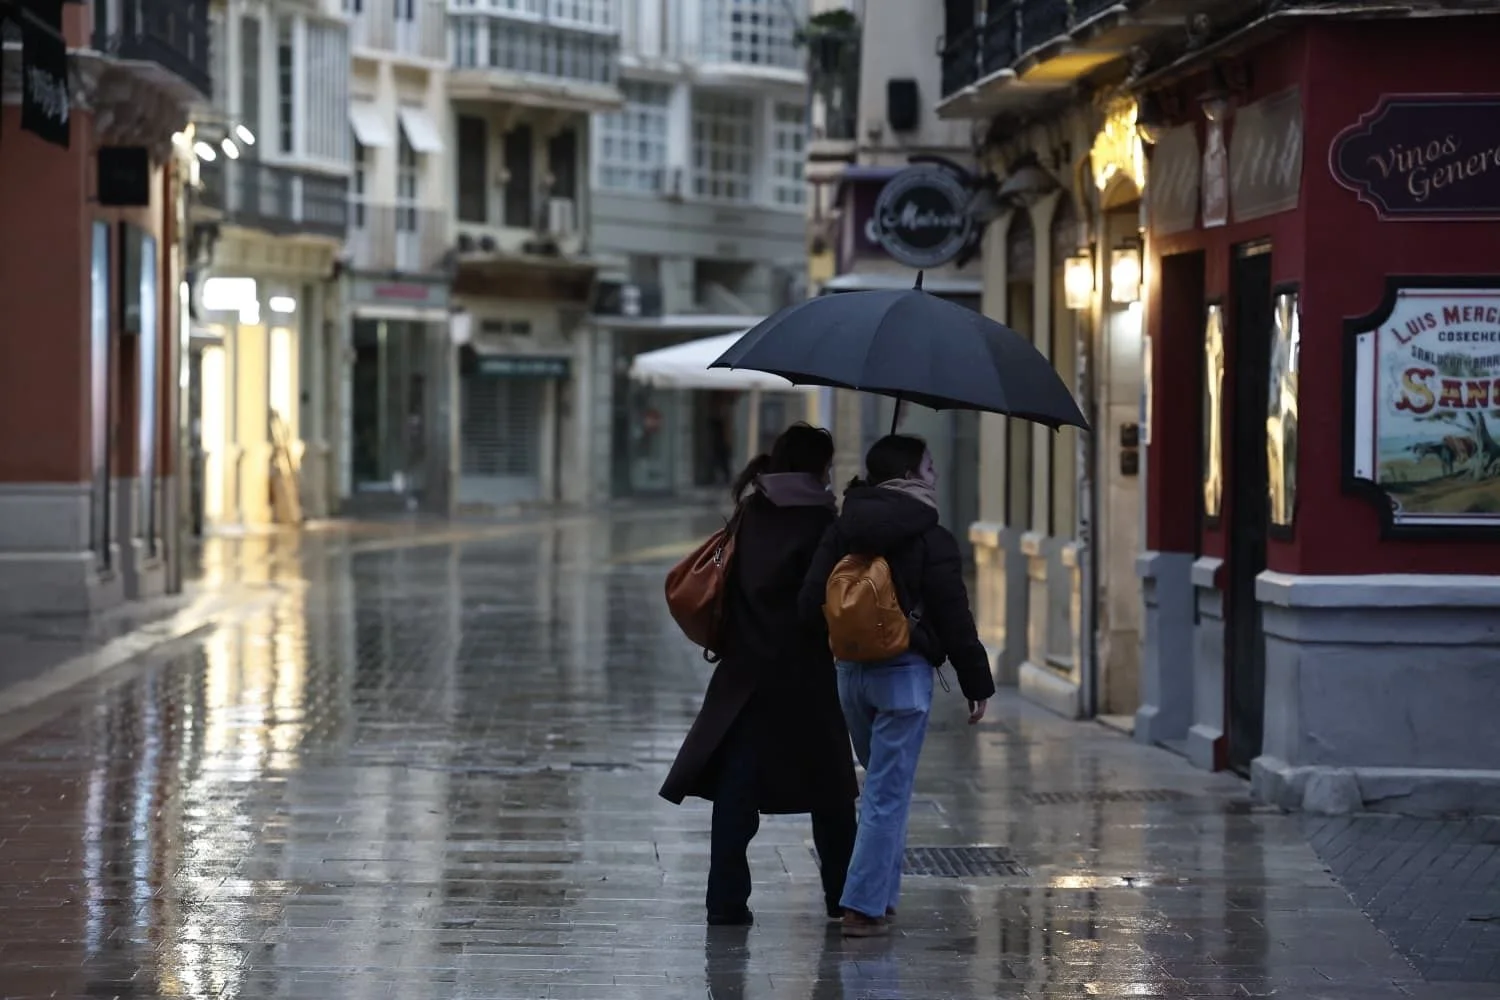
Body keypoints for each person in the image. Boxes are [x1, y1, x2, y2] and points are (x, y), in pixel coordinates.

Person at [660, 423, 858, 926]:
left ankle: (725, 903)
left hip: (745, 675)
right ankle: (843, 897)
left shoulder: (751, 513)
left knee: (736, 795)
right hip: (805, 678)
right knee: (832, 794)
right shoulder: (823, 524)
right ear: (820, 467)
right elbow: (819, 603)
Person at [798, 434, 994, 937]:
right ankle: (861, 907)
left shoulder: (843, 529)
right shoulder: (931, 536)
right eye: (928, 467)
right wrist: (976, 680)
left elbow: (808, 604)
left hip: (849, 675)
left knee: (887, 787)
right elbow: (954, 615)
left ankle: (880, 897)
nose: (934, 476)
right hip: (903, 677)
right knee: (887, 791)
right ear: (910, 475)